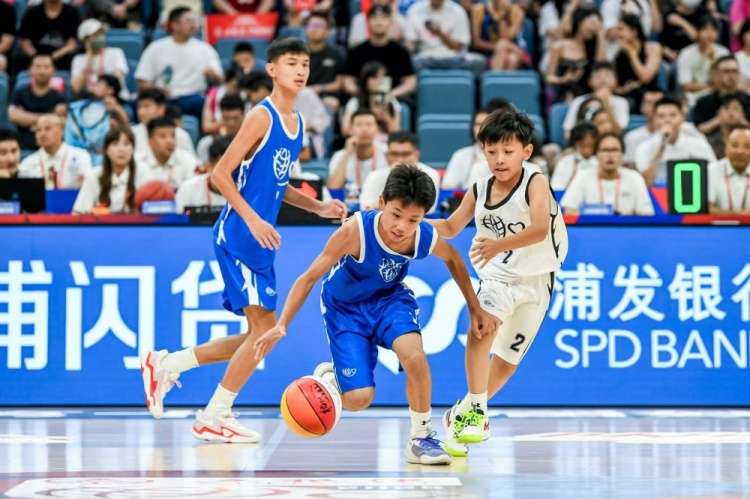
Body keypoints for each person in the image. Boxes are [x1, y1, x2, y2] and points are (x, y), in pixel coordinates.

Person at [139, 38, 348, 442]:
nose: (300, 71)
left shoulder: (296, 123)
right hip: (238, 234)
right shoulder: (261, 116)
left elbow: (278, 183)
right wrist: (252, 220)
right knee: (264, 333)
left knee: (261, 335)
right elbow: (220, 174)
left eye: (305, 64)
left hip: (259, 242)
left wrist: (318, 207)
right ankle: (214, 414)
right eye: (292, 63)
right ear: (272, 69)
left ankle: (167, 366)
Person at [253, 165, 498, 465]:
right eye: (396, 215)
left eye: (413, 220)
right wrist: (282, 324)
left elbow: (455, 260)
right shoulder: (355, 231)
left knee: (415, 358)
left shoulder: (421, 236)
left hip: (389, 300)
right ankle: (333, 376)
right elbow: (308, 278)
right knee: (358, 400)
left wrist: (474, 308)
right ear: (381, 202)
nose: (402, 227)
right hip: (345, 309)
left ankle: (420, 437)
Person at [430, 108, 569, 455]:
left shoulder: (535, 181)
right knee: (481, 330)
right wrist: (406, 222)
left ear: (526, 151)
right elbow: (450, 227)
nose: (499, 159)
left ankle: (462, 412)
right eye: (492, 151)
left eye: (508, 151)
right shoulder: (479, 189)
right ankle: (478, 412)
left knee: (506, 363)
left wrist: (498, 244)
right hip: (498, 278)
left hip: (537, 279)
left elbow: (539, 229)